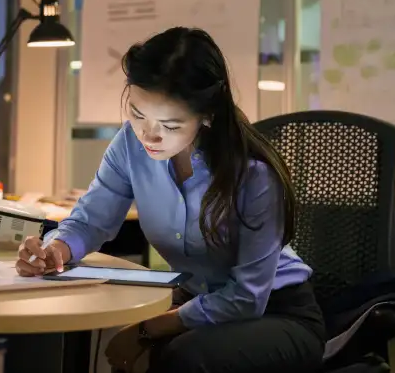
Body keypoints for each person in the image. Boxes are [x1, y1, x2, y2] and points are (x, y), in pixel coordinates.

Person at [16, 27, 326, 373]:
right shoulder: (129, 146)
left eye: (171, 125)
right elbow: (90, 221)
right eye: (137, 114)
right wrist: (54, 251)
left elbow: (247, 298)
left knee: (182, 358)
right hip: (194, 300)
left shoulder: (253, 177)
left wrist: (149, 329)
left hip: (277, 313)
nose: (149, 135)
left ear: (207, 116)